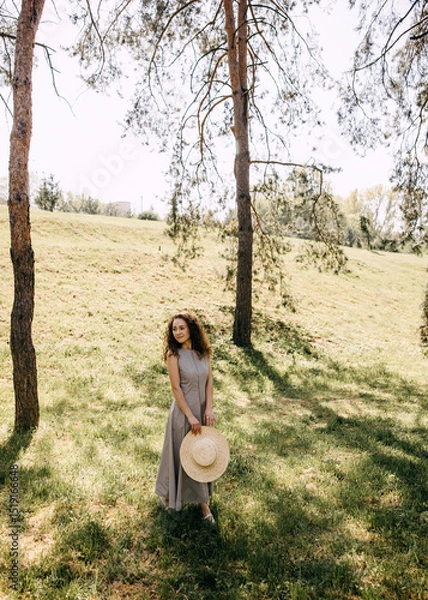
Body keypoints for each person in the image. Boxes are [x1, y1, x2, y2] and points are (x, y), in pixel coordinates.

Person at [155, 310, 217, 523]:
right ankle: (175, 498)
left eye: (182, 328)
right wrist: (190, 416)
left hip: (202, 411)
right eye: (174, 329)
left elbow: (209, 382)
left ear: (191, 328)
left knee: (202, 455)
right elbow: (176, 388)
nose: (178, 332)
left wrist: (208, 409)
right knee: (184, 456)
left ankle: (201, 501)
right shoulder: (174, 355)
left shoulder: (203, 353)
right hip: (183, 413)